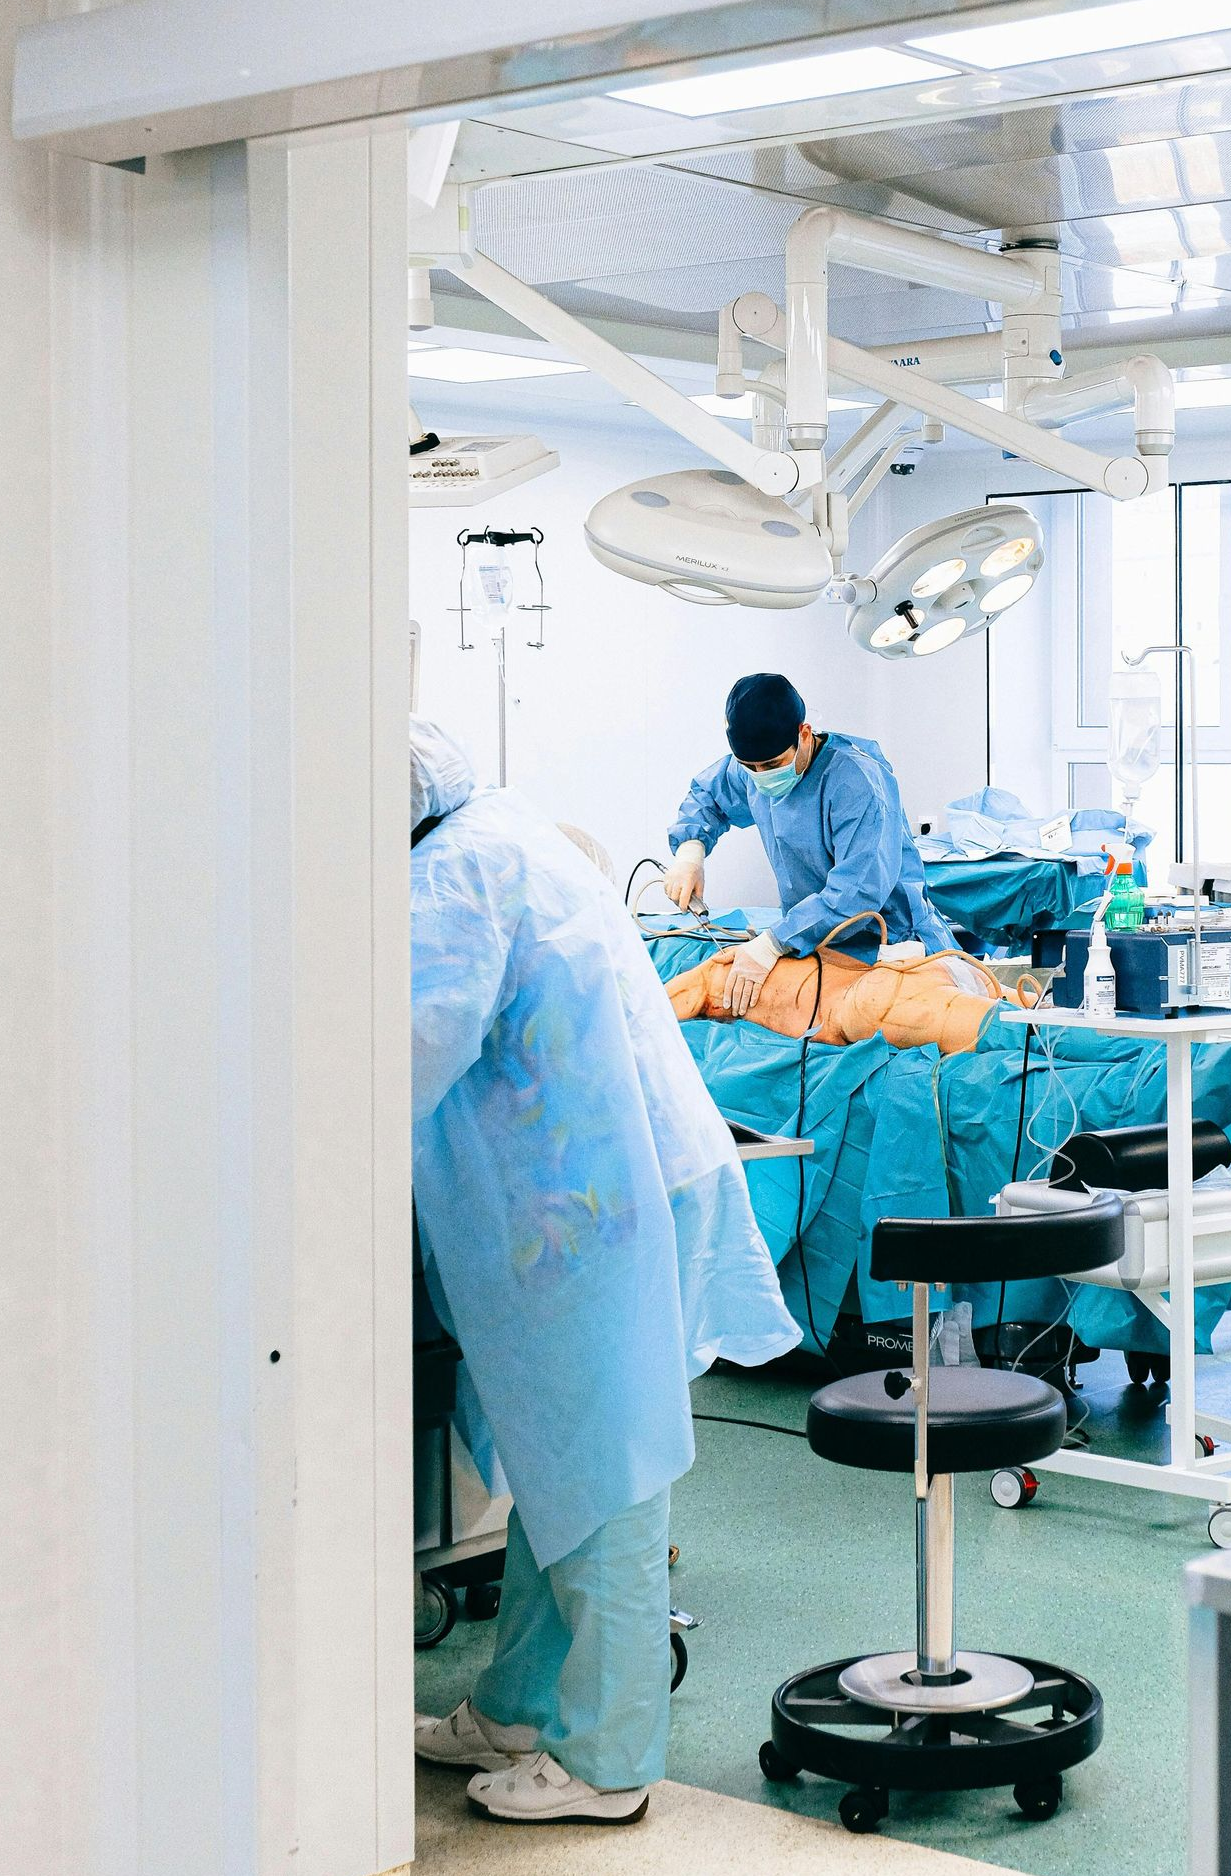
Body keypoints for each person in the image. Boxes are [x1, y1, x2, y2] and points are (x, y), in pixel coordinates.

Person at [408, 718, 797, 1825]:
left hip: (587, 1202)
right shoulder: (502, 824)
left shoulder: (452, 878)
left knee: (610, 1476)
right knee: (561, 1459)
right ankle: (519, 1705)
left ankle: (609, 1760)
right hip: (608, 1183)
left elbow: (396, 1053)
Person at [662, 673, 956, 1013]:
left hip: (889, 947)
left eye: (772, 765)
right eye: (750, 767)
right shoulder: (752, 768)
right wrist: (690, 853)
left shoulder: (856, 781)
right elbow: (709, 796)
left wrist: (774, 942)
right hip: (812, 944)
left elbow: (857, 893)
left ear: (804, 734)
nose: (760, 776)